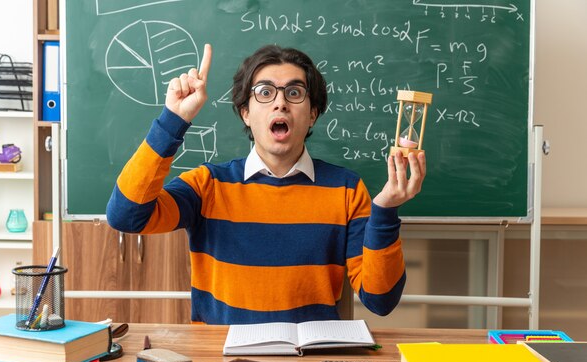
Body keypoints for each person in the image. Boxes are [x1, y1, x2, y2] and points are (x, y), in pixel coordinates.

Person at [107, 44, 426, 324]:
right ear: (245, 113)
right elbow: (126, 216)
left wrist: (385, 210)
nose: (280, 103)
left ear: (312, 114)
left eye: (295, 92)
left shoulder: (346, 190)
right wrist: (173, 119)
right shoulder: (209, 185)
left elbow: (380, 300)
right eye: (264, 92)